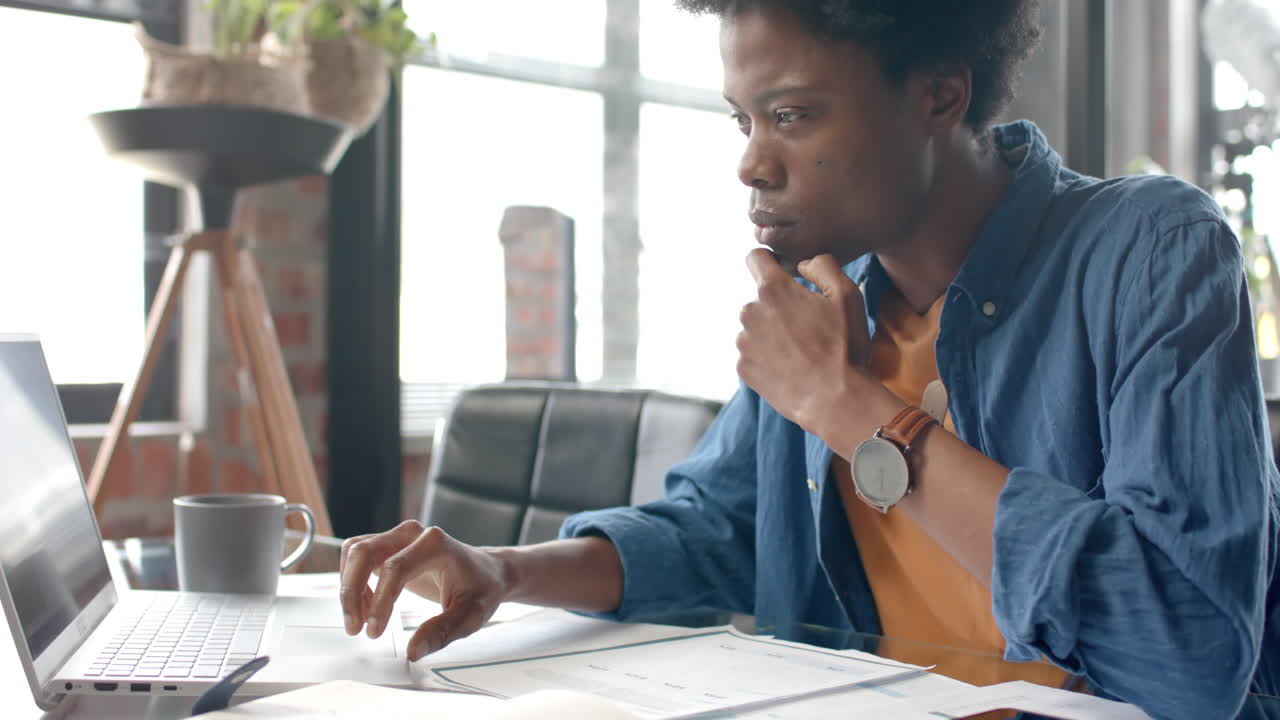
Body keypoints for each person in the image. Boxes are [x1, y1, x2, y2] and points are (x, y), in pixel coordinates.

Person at [337, 2, 1280, 717]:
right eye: (740, 120)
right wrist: (504, 571)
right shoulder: (826, 302)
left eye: (791, 115)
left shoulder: (1149, 250)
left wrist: (852, 409)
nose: (751, 163)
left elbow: (1191, 654)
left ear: (938, 95)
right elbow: (715, 530)